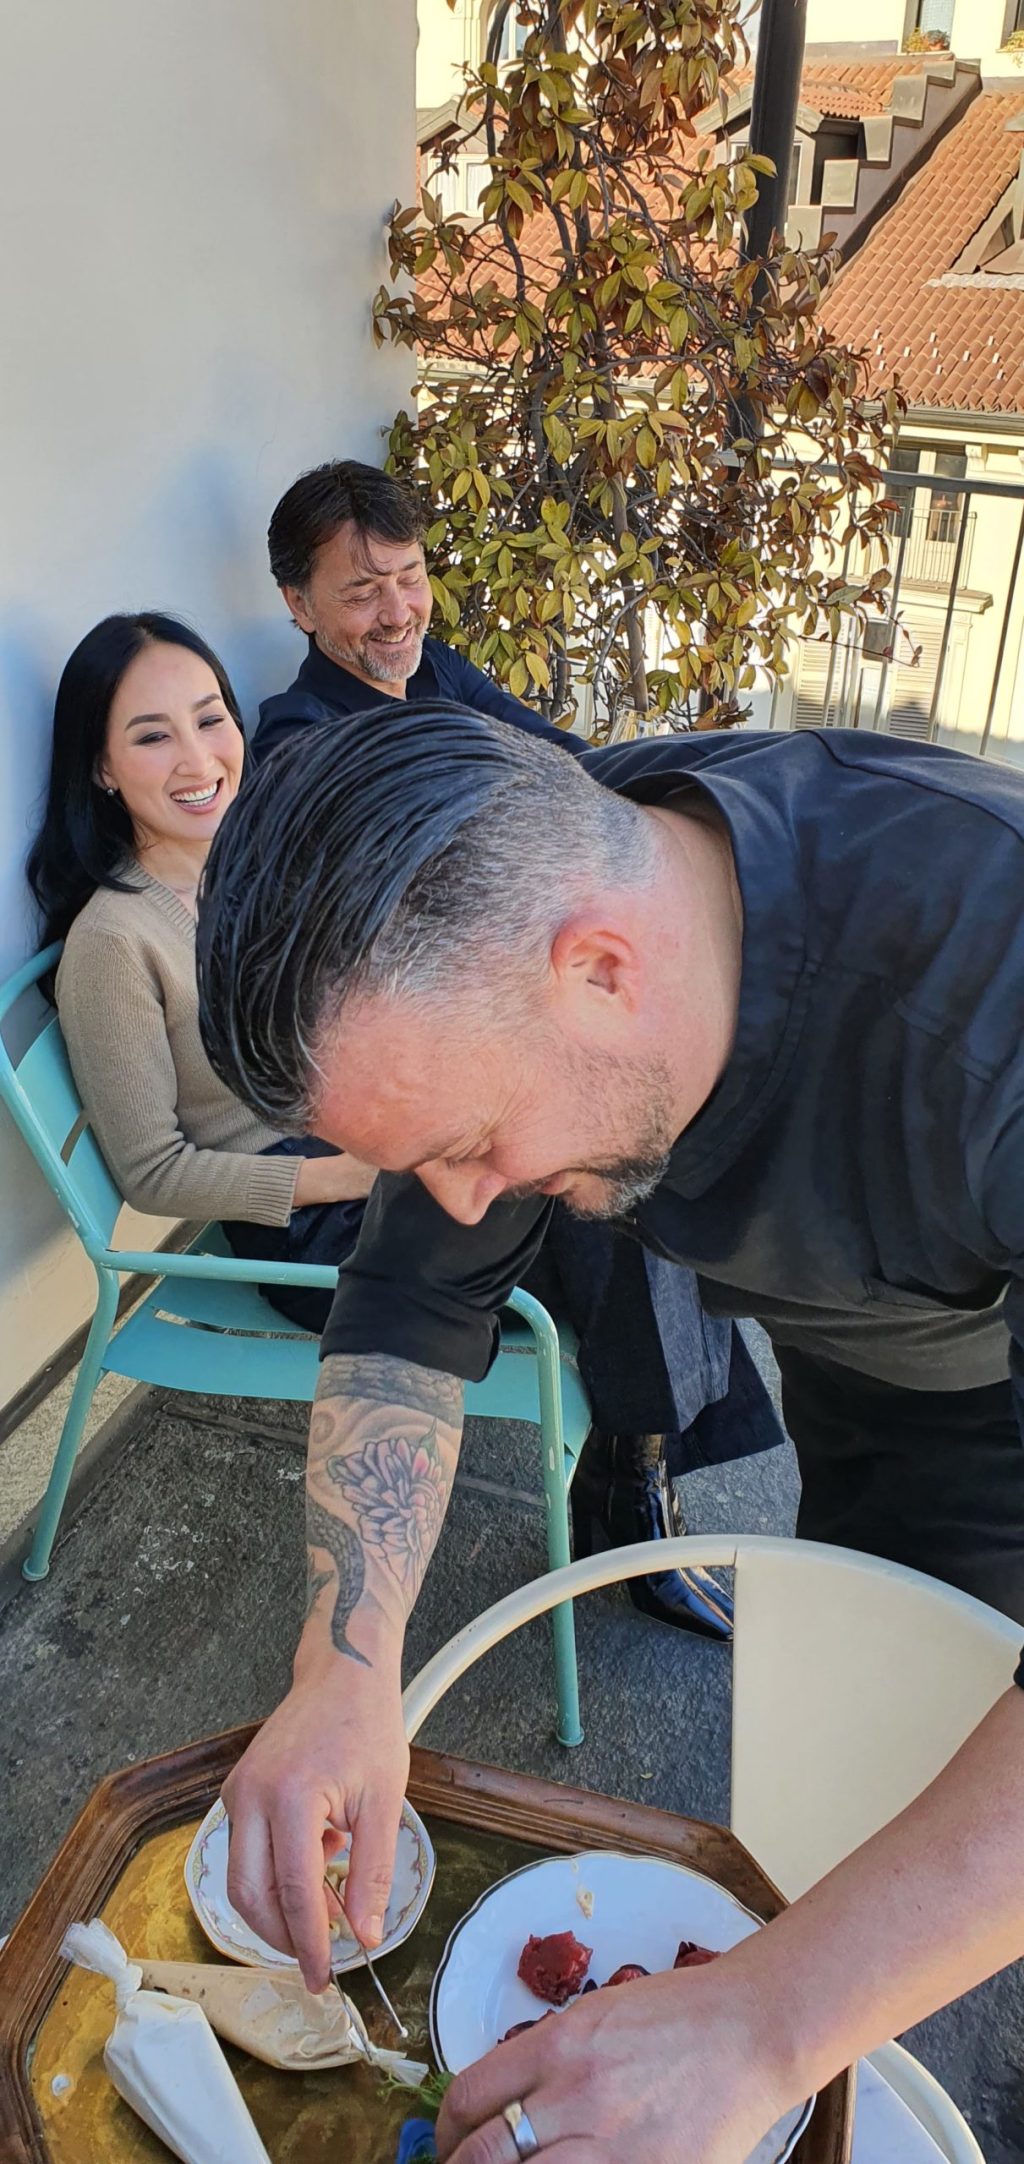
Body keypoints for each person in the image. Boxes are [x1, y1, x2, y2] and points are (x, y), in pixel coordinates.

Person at [197, 704, 1024, 2161]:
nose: (467, 1205)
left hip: (993, 1402)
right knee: (867, 1808)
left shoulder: (988, 994)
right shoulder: (522, 897)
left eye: (468, 1145)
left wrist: (763, 2022)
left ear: (600, 968)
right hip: (873, 1381)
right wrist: (341, 1663)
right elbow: (404, 1301)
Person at [253, 456, 783, 1636]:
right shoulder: (304, 750)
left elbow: (574, 776)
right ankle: (634, 1495)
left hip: (482, 1068)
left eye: (406, 575)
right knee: (616, 1184)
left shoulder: (433, 677)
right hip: (387, 1138)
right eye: (357, 591)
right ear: (297, 605)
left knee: (639, 1125)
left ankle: (635, 1471)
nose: (393, 610)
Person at [26, 613, 376, 1322]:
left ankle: (640, 1422)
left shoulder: (262, 868)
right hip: (312, 1228)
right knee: (568, 1215)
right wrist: (348, 1175)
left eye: (209, 720)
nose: (197, 760)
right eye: (153, 736)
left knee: (605, 1167)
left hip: (375, 1144)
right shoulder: (115, 943)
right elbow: (153, 1174)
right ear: (101, 767)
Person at [252, 457, 587, 763]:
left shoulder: (435, 665)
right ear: (301, 605)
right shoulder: (299, 737)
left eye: (411, 579)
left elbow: (559, 751)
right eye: (364, 593)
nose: (398, 616)